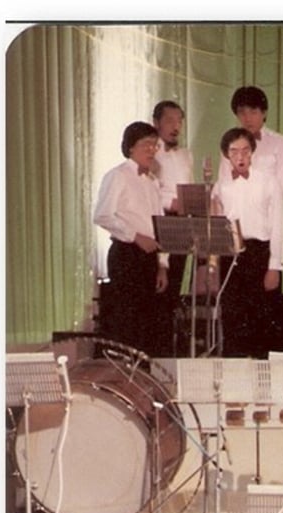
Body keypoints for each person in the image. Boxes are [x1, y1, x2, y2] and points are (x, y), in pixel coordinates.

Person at [211, 127, 283, 359]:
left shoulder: (268, 181)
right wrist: (213, 266)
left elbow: (278, 225)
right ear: (227, 155)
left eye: (245, 150)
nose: (240, 156)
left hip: (261, 255)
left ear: (252, 152)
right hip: (232, 256)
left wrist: (275, 266)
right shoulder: (220, 187)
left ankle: (266, 388)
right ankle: (236, 389)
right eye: (234, 151)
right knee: (234, 320)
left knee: (264, 322)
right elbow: (216, 227)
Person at [93, 121, 168, 355]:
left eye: (155, 146)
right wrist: (135, 236)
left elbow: (160, 227)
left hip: (149, 257)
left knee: (148, 323)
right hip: (126, 254)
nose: (152, 151)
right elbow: (102, 215)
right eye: (146, 145)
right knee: (127, 321)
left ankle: (143, 378)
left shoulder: (153, 182)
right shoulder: (117, 176)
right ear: (131, 147)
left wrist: (162, 266)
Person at [150, 100, 194, 356]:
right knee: (160, 291)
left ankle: (168, 356)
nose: (175, 126)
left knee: (175, 290)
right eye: (169, 120)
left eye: (179, 121)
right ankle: (157, 355)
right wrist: (172, 202)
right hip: (160, 221)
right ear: (157, 123)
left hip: (183, 224)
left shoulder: (186, 155)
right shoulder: (151, 154)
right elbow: (152, 192)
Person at [218, 86, 283, 198]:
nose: (248, 118)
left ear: (264, 113)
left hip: (270, 210)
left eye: (253, 112)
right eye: (242, 113)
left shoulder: (282, 143)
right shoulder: (229, 143)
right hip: (236, 210)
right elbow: (225, 181)